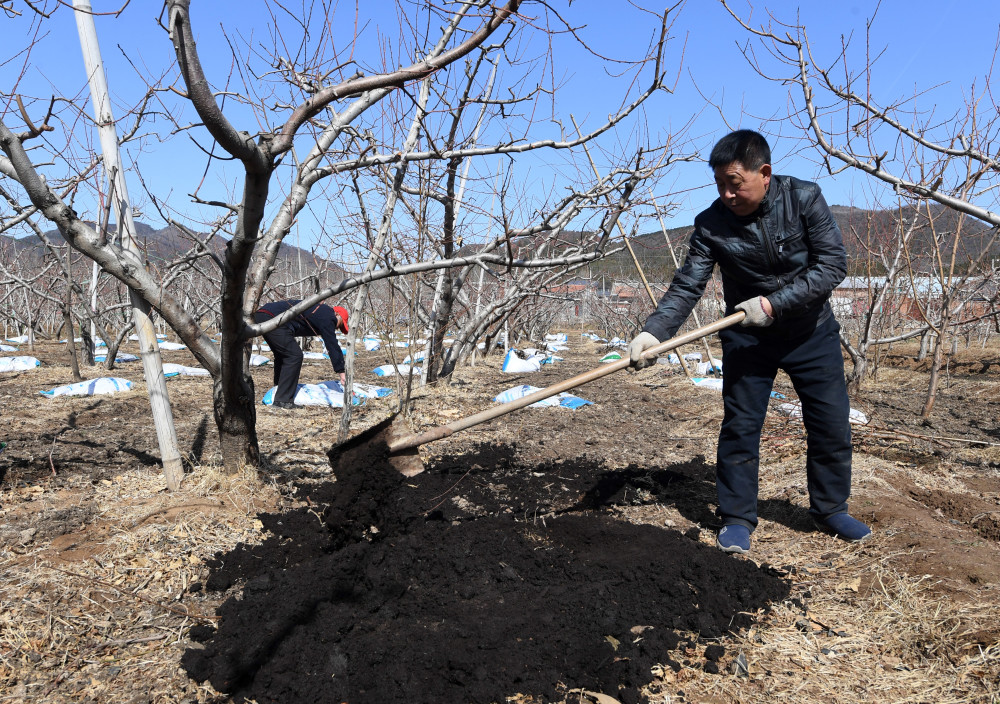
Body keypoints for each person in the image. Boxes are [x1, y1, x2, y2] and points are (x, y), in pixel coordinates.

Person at [628, 129, 871, 554]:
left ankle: (831, 509)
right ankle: (737, 516)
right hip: (747, 339)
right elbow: (688, 286)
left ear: (764, 173)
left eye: (734, 183)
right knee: (741, 426)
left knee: (830, 422)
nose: (726, 194)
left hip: (810, 332)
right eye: (719, 184)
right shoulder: (710, 225)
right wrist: (654, 331)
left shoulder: (804, 198)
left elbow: (833, 265)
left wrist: (775, 304)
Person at [253, 300, 349, 409]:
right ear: (337, 314)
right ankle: (282, 401)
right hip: (272, 317)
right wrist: (341, 372)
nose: (336, 328)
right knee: (294, 356)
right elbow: (332, 345)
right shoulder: (328, 316)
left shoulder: (319, 312)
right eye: (340, 324)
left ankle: (278, 391)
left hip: (264, 314)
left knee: (283, 355)